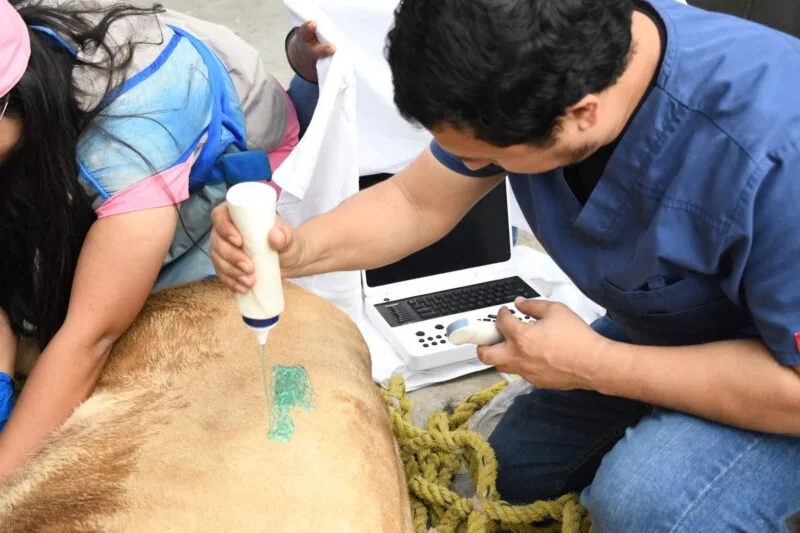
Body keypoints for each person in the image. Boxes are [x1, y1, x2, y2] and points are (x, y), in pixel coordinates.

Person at [211, 0, 800, 530]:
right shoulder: (528, 64)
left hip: (779, 373)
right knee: (514, 471)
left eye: (486, 158)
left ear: (581, 115)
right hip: (688, 323)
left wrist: (596, 364)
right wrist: (298, 248)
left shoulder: (775, 157)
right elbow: (416, 201)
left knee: (647, 506)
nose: (472, 166)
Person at [0, 0, 332, 480]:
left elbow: (92, 337)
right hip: (93, 140)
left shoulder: (138, 131)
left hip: (222, 164)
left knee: (136, 326)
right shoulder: (19, 56)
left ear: (15, 100)